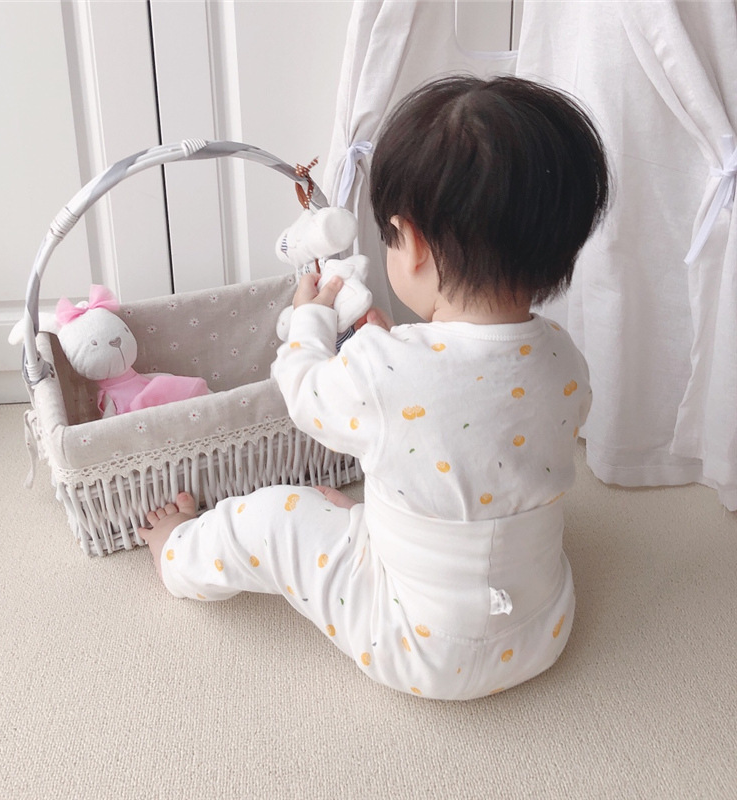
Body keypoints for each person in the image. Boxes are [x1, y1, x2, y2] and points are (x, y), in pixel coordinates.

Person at [140, 75, 609, 700]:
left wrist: (310, 321)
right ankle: (374, 532)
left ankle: (176, 553)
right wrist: (388, 352)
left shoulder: (385, 370)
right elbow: (475, 411)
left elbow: (305, 394)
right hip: (540, 629)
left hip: (412, 646)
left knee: (277, 517)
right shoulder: (565, 361)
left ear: (410, 244)